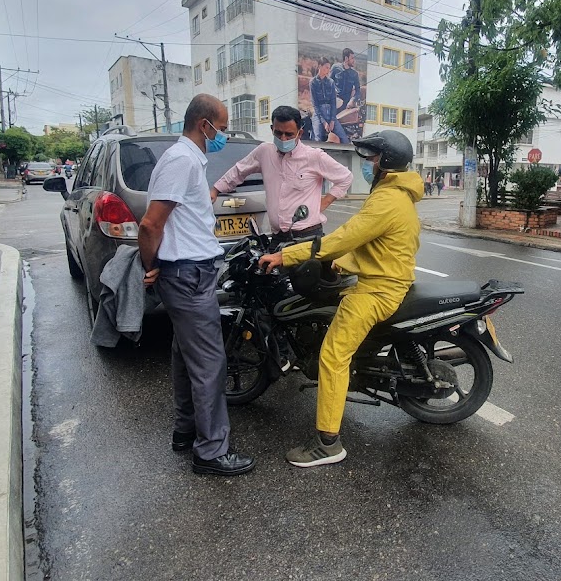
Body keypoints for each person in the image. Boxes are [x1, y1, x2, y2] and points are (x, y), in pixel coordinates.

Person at [258, 130, 422, 468]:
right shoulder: (393, 193)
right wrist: (338, 262)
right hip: (382, 278)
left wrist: (288, 255)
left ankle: (328, 444)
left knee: (333, 356)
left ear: (386, 163)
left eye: (372, 159)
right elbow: (371, 244)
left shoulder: (387, 199)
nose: (368, 165)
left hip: (378, 290)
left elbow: (345, 237)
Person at [137, 93, 255, 477]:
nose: (221, 134)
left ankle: (186, 431)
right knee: (209, 362)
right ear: (203, 124)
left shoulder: (184, 159)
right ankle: (211, 451)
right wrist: (150, 265)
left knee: (186, 356)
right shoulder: (181, 160)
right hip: (186, 274)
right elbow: (150, 224)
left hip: (190, 271)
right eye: (220, 128)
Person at [211, 105, 352, 239]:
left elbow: (345, 177)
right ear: (272, 129)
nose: (283, 139)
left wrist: (324, 203)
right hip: (277, 237)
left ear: (299, 133)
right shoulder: (264, 152)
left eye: (289, 134)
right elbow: (239, 170)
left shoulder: (314, 156)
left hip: (307, 237)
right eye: (278, 133)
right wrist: (216, 190)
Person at [309, 58, 348, 144]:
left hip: (330, 113)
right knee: (317, 139)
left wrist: (332, 120)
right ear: (320, 66)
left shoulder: (331, 82)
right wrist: (323, 122)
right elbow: (315, 104)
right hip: (319, 114)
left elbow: (333, 102)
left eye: (329, 68)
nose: (328, 70)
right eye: (326, 67)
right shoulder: (313, 82)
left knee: (344, 139)